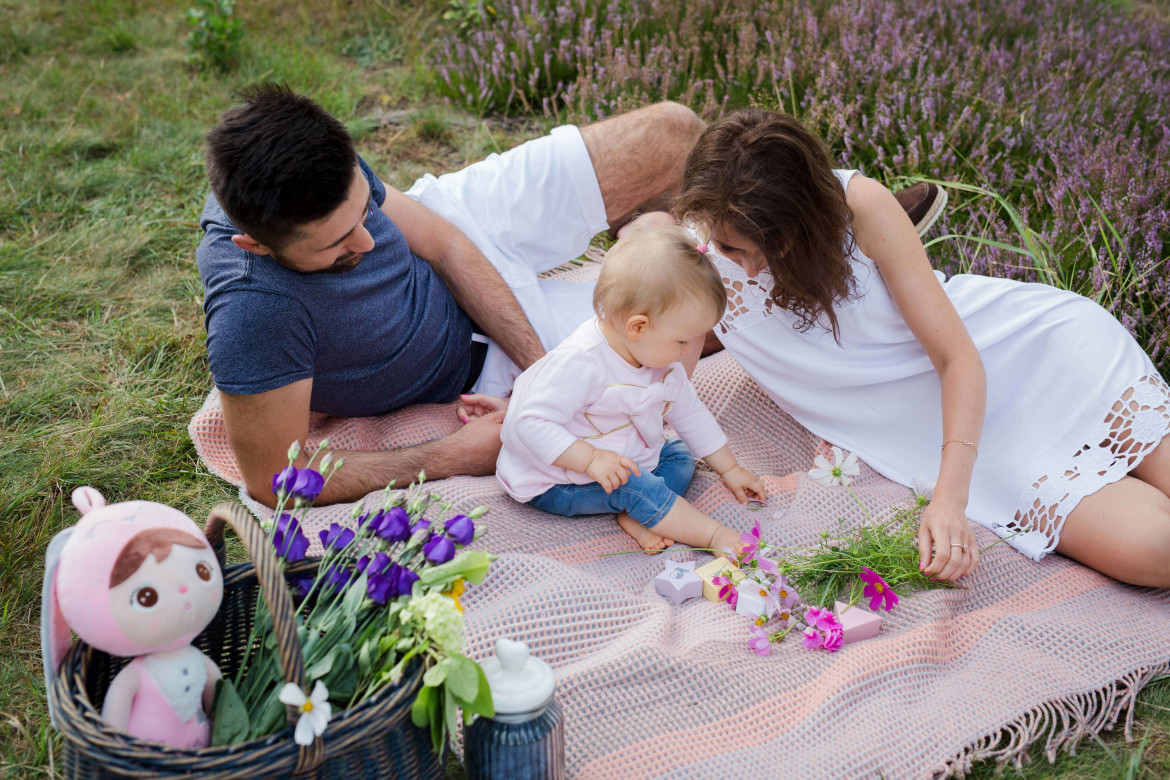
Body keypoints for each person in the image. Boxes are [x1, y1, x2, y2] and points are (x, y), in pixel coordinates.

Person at [196, 85, 943, 510]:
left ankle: (833, 216)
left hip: (470, 222)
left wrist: (548, 364)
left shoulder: (322, 174)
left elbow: (449, 243)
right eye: (337, 246)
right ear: (257, 247)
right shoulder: (256, 314)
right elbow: (275, 477)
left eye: (366, 213)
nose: (366, 242)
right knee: (675, 333)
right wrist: (461, 451)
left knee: (673, 132)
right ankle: (811, 260)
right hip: (465, 360)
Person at [628, 107, 1170, 587]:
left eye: (767, 247)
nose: (744, 267)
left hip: (1027, 354)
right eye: (730, 248)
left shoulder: (859, 205)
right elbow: (661, 373)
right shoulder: (698, 244)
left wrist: (949, 501)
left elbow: (956, 358)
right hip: (925, 429)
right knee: (1155, 549)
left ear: (806, 218)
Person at [497, 225, 766, 552]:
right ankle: (711, 535)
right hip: (558, 476)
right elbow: (527, 422)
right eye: (682, 340)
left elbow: (691, 414)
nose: (687, 350)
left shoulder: (661, 362)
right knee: (634, 483)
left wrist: (730, 468)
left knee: (680, 458)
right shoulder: (582, 364)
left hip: (619, 455)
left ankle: (639, 515)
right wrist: (590, 459)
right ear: (637, 327)